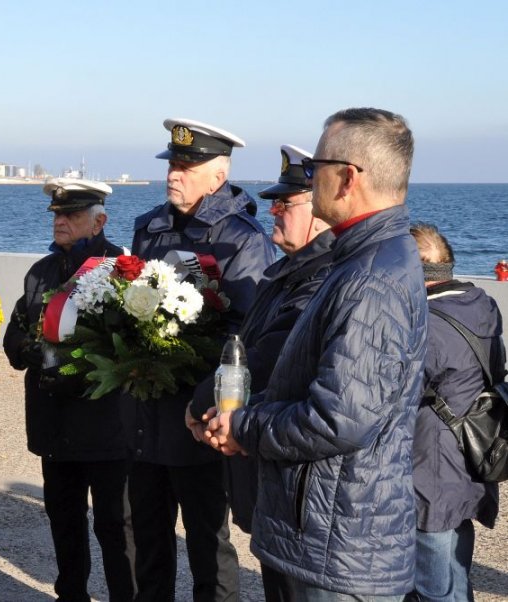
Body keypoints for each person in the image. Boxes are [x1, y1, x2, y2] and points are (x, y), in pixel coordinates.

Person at [205, 108, 427, 599]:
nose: (309, 179)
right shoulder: (365, 259)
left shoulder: (370, 277)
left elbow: (338, 418)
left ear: (347, 178)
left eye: (315, 168)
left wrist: (243, 427)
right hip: (324, 531)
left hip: (334, 545)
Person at [127, 118, 274, 601]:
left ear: (217, 175)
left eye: (187, 166)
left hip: (200, 413)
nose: (174, 173)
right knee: (144, 537)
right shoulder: (149, 227)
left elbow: (246, 331)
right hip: (146, 409)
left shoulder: (242, 237)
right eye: (172, 163)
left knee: (209, 543)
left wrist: (202, 393)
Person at [186, 144, 334, 602]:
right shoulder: (288, 272)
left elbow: (267, 354)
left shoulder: (321, 278)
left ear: (319, 210)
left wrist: (198, 404)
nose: (274, 210)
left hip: (304, 486)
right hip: (278, 479)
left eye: (285, 203)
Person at [3, 178, 135, 602]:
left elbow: (132, 345)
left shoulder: (122, 269)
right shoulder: (40, 272)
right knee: (64, 520)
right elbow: (13, 339)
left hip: (106, 424)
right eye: (58, 214)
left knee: (115, 526)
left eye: (71, 215)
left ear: (100, 221)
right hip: (54, 422)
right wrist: (36, 351)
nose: (60, 221)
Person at [408, 223, 503, 602]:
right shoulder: (480, 303)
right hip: (468, 458)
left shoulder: (427, 325)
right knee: (455, 573)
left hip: (430, 471)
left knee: (435, 587)